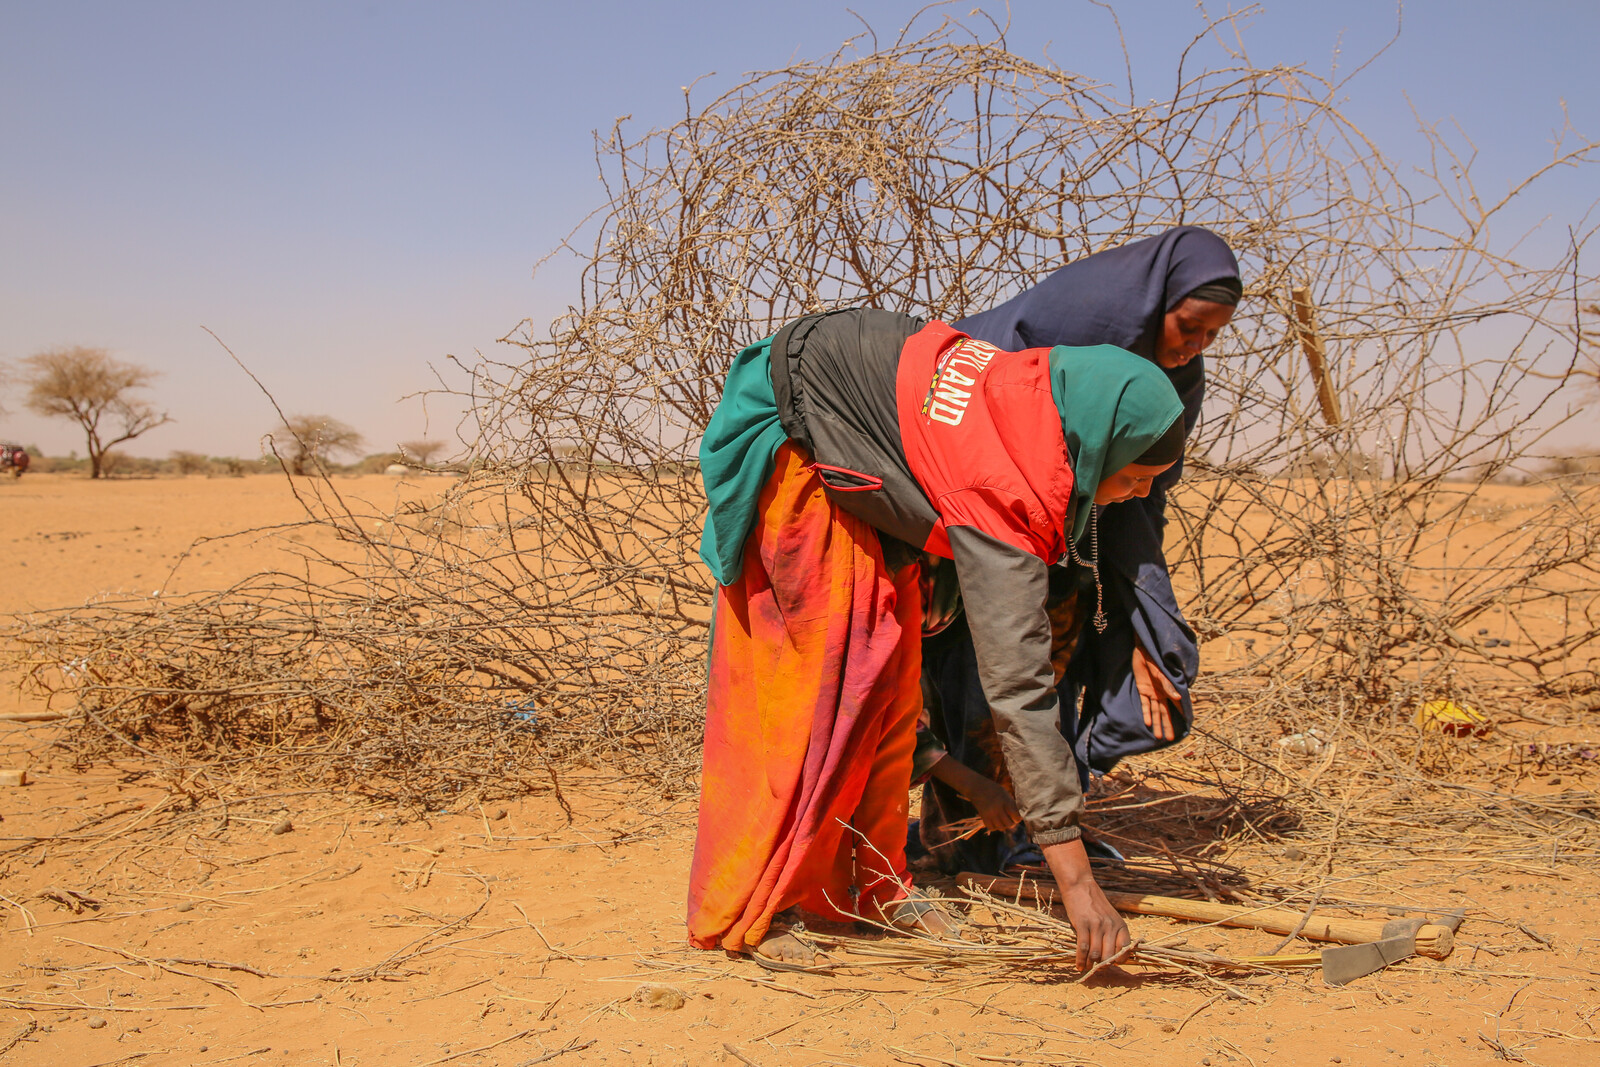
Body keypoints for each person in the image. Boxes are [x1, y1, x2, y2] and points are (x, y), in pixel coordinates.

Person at [686, 307, 1187, 973]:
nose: (1136, 495)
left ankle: (875, 886)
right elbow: (1019, 685)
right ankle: (755, 906)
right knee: (810, 695)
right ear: (1102, 445)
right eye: (1135, 477)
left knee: (886, 689)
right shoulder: (1004, 476)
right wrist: (1076, 879)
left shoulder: (1047, 400)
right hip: (798, 446)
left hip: (854, 453)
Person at [914, 226, 1243, 875]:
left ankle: (1034, 824)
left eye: (1212, 336)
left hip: (1065, 530)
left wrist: (1141, 625)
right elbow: (1010, 446)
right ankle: (976, 838)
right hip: (983, 492)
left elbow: (1137, 498)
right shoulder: (1082, 327)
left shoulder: (1165, 384)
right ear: (1156, 303)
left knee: (1059, 653)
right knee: (995, 662)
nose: (1195, 348)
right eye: (1189, 327)